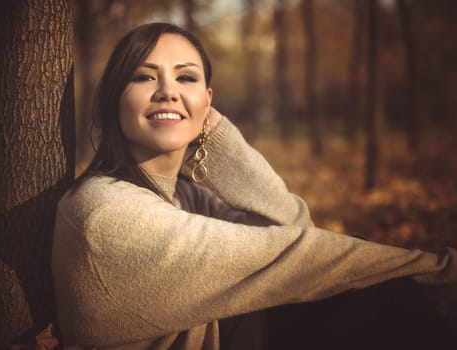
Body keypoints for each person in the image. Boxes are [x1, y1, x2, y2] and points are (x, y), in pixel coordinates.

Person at [51, 22, 456, 349]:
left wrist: (215, 136)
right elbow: (295, 253)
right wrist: (437, 269)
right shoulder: (103, 213)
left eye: (186, 78)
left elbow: (295, 224)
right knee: (392, 303)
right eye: (144, 76)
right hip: (248, 335)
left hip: (248, 331)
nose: (168, 91)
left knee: (382, 301)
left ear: (208, 101)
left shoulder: (184, 196)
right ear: (113, 100)